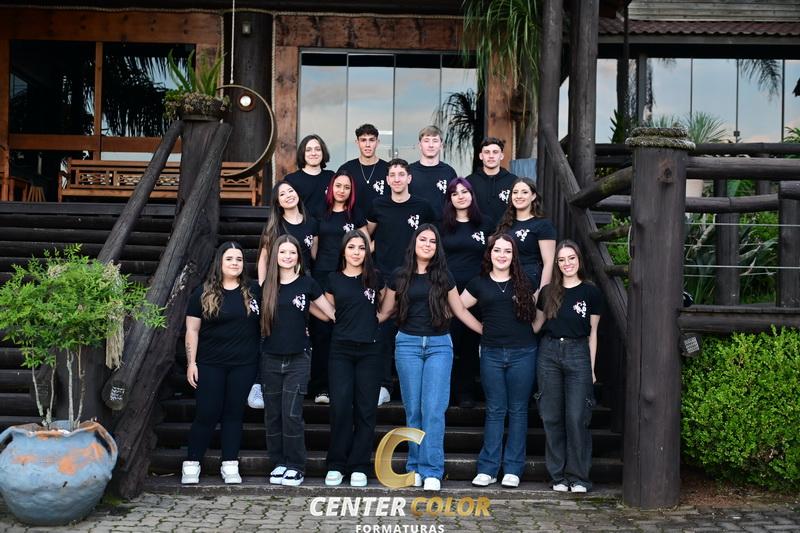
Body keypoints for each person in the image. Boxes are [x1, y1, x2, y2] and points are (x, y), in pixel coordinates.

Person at [379, 224, 483, 492]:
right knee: (413, 410)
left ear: (438, 248)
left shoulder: (444, 277)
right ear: (414, 243)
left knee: (434, 410)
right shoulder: (399, 275)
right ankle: (414, 468)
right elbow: (385, 312)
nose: (427, 244)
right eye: (423, 239)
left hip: (439, 345)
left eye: (432, 241)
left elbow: (460, 311)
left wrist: (487, 332)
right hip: (407, 344)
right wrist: (351, 322)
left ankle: (432, 470)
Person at [460, 234, 537, 488]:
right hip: (491, 353)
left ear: (514, 255)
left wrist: (533, 330)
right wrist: (480, 328)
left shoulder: (526, 281)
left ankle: (513, 468)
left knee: (518, 410)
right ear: (489, 253)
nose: (502, 255)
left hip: (523, 352)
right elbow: (458, 307)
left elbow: (542, 309)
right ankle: (488, 468)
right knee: (495, 410)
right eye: (497, 250)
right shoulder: (479, 282)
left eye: (507, 251)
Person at [260, 234, 336, 487]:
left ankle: (295, 465)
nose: (287, 256)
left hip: (299, 357)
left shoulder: (307, 283)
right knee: (273, 414)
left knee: (291, 413)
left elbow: (329, 313)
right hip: (270, 356)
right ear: (275, 256)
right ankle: (278, 462)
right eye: (282, 252)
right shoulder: (266, 286)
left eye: (292, 252)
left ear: (298, 257)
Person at [182, 242, 260, 485]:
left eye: (239, 259)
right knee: (207, 412)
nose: (235, 263)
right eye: (229, 259)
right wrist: (191, 363)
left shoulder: (254, 291)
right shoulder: (202, 292)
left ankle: (230, 464)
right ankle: (192, 463)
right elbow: (192, 330)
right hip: (210, 363)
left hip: (244, 364)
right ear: (220, 262)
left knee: (234, 414)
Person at [533, 240, 604, 493]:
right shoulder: (547, 292)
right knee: (551, 416)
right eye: (561, 260)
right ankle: (558, 477)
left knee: (576, 417)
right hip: (549, 353)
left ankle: (579, 477)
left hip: (578, 353)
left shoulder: (591, 292)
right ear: (557, 264)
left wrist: (591, 368)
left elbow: (593, 334)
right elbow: (536, 326)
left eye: (571, 258)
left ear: (579, 259)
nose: (567, 264)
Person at [367, 158, 436, 406]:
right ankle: (384, 385)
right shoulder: (378, 205)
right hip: (385, 276)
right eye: (393, 175)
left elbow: (431, 239)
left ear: (409, 178)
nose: (397, 179)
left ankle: (413, 388)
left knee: (411, 329)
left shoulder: (423, 206)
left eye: (401, 174)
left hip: (414, 276)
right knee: (384, 331)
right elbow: (366, 233)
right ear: (387, 180)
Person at [324, 229, 386, 487]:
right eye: (351, 247)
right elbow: (326, 310)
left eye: (361, 248)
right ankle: (336, 464)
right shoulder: (333, 279)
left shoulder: (375, 278)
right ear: (343, 251)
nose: (356, 252)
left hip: (370, 351)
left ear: (367, 252)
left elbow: (385, 307)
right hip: (340, 350)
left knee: (366, 408)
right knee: (340, 406)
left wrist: (374, 322)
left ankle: (360, 465)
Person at [310, 171, 368, 405]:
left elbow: (366, 244)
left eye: (346, 187)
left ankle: (345, 387)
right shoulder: (319, 212)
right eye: (338, 186)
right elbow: (314, 247)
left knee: (344, 329)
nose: (342, 190)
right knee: (322, 333)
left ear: (351, 191)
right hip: (323, 276)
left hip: (349, 277)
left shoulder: (356, 214)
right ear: (331, 188)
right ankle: (321, 387)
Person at [439, 177, 493, 407]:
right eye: (455, 193)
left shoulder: (486, 223)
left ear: (472, 195)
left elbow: (492, 256)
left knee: (471, 343)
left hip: (476, 293)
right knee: (447, 343)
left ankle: (466, 392)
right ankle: (446, 392)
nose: (460, 196)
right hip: (447, 291)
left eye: (464, 192)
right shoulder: (442, 225)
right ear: (449, 199)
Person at [495, 177, 556, 293]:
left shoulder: (543, 225)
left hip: (530, 280)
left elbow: (549, 263)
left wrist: (542, 293)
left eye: (524, 192)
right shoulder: (505, 223)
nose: (519, 196)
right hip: (504, 277)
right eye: (515, 192)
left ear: (533, 196)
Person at [257, 180, 318, 283]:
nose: (288, 195)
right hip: (279, 278)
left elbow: (314, 255)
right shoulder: (274, 226)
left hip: (304, 277)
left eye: (290, 191)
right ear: (278, 202)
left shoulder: (312, 223)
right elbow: (264, 257)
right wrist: (261, 283)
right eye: (282, 194)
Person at [337, 124, 390, 214]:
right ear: (357, 142)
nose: (367, 145)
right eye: (363, 140)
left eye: (371, 140)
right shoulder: (346, 169)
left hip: (382, 221)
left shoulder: (387, 169)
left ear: (377, 142)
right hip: (352, 221)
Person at [466, 137, 518, 226]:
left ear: (501, 156)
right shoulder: (469, 181)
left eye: (495, 152)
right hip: (477, 231)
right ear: (481, 156)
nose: (491, 156)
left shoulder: (513, 181)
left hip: (506, 231)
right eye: (487, 152)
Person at [409, 125, 457, 219]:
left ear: (441, 145)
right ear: (420, 145)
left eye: (435, 141)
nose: (431, 145)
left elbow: (454, 202)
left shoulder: (449, 172)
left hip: (442, 225)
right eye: (426, 141)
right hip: (415, 224)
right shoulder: (409, 171)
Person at [283, 134, 335, 218]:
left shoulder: (331, 177)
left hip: (327, 224)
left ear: (323, 152)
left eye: (317, 149)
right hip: (302, 225)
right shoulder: (291, 180)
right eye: (308, 150)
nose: (313, 153)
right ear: (302, 153)